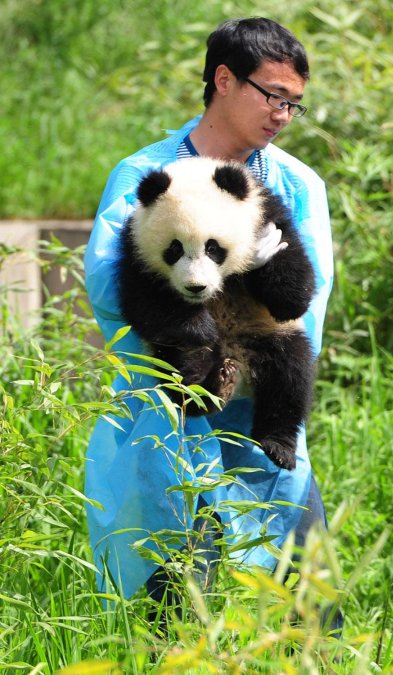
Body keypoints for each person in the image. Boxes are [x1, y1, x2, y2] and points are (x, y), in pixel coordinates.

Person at [83, 17, 335, 618]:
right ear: (224, 80)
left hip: (264, 410)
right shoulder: (145, 176)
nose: (282, 114)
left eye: (293, 103)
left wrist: (266, 278)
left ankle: (308, 654)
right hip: (170, 413)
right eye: (273, 96)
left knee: (300, 599)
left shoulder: (295, 184)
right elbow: (112, 290)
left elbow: (307, 303)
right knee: (173, 597)